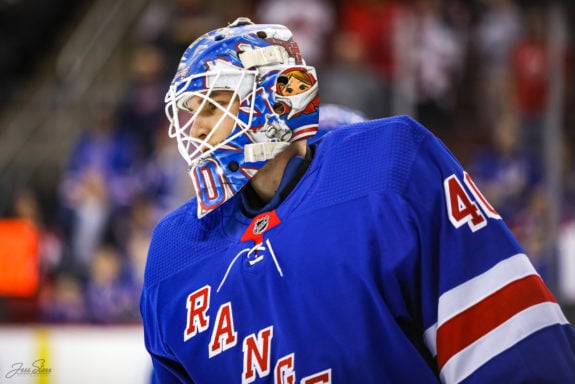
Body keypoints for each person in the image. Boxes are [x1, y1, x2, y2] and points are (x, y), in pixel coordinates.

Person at [140, 18, 575, 383]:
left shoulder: (386, 166)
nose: (194, 130)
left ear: (279, 96)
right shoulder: (174, 256)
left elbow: (513, 349)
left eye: (214, 106)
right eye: (190, 111)